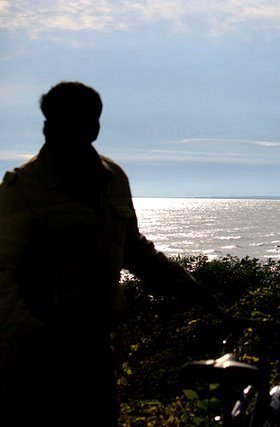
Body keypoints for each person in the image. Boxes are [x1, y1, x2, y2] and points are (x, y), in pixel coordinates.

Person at [0, 82, 207, 426]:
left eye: (68, 122)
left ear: (94, 128)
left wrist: (189, 288)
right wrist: (34, 335)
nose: (53, 131)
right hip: (33, 362)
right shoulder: (21, 190)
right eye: (51, 122)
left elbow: (133, 250)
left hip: (95, 351)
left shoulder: (114, 180)